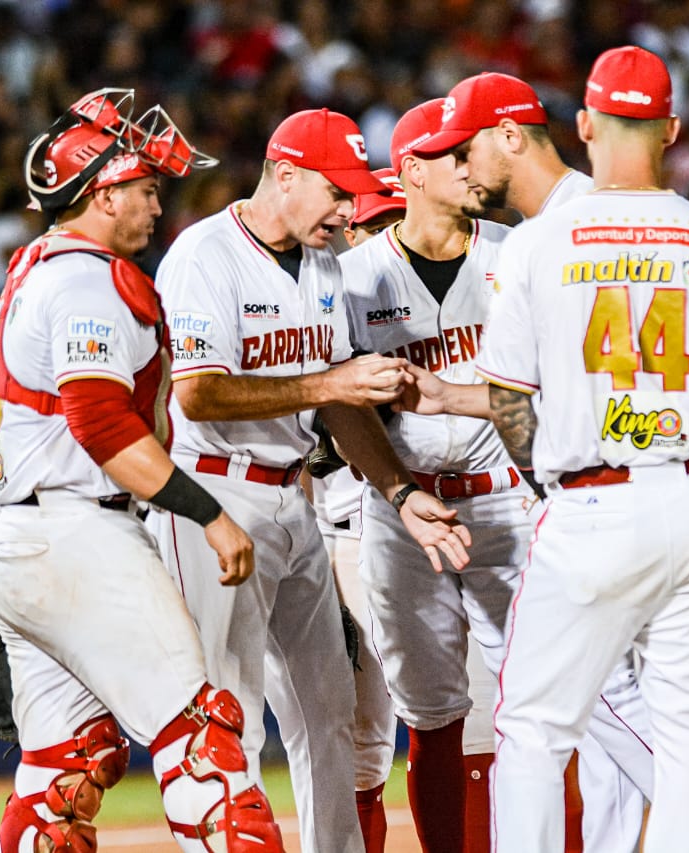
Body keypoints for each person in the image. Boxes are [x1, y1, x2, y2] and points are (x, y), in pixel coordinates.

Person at [406, 69, 689, 853]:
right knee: (685, 725)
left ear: (581, 124)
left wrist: (547, 486)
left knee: (533, 727)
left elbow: (513, 398)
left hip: (593, 502)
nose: (464, 167)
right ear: (672, 132)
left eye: (468, 146)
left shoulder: (541, 243)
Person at [147, 107, 473, 853]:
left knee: (332, 711)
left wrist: (399, 489)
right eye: (336, 190)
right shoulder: (205, 255)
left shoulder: (323, 262)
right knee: (229, 710)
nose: (347, 209)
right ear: (285, 174)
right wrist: (330, 382)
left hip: (295, 496)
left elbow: (344, 400)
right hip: (214, 496)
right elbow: (199, 392)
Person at [0, 89, 284, 853]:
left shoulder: (33, 268)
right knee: (203, 741)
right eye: (145, 189)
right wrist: (210, 513)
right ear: (102, 193)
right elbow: (102, 423)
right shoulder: (86, 279)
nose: (155, 206)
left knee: (62, 774)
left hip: (17, 536)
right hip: (79, 533)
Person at [342, 98, 542, 853]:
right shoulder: (354, 276)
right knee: (430, 715)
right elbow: (340, 407)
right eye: (452, 153)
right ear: (411, 170)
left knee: (540, 709)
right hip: (402, 517)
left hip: (508, 504)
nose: (470, 164)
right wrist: (398, 488)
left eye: (471, 150)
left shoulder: (514, 250)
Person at [314, 166, 405, 852]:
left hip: (391, 533)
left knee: (391, 733)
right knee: (353, 739)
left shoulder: (415, 308)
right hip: (331, 540)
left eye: (387, 221)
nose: (379, 237)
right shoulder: (320, 306)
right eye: (371, 224)